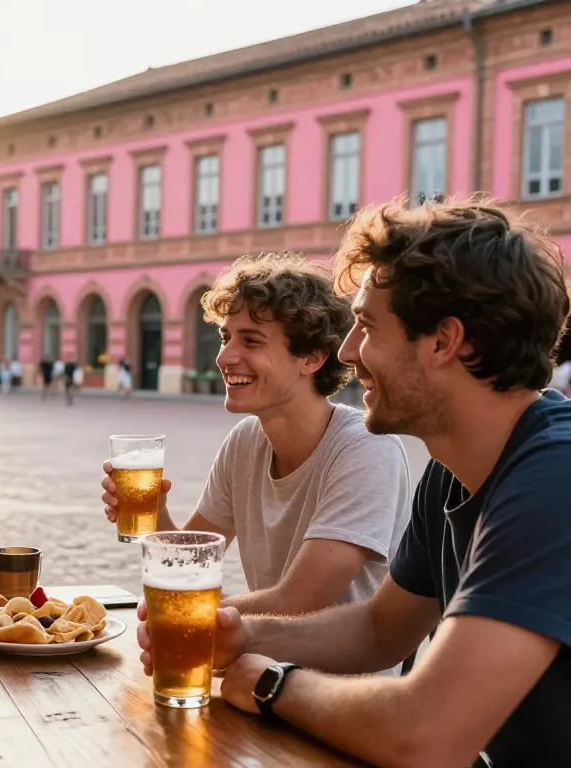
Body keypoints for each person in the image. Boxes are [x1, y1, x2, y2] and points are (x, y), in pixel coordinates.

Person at [152, 200, 571, 767]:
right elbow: (380, 629)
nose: (348, 353)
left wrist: (274, 685)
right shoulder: (452, 470)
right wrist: (243, 637)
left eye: (367, 328)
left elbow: (425, 735)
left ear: (446, 341)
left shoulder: (554, 477)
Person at [102, 253, 411, 622]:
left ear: (312, 358)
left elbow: (298, 602)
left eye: (251, 341)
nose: (224, 357)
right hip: (260, 666)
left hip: (345, 679)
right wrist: (154, 514)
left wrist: (183, 607)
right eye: (225, 337)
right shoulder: (246, 441)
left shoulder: (366, 448)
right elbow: (189, 566)